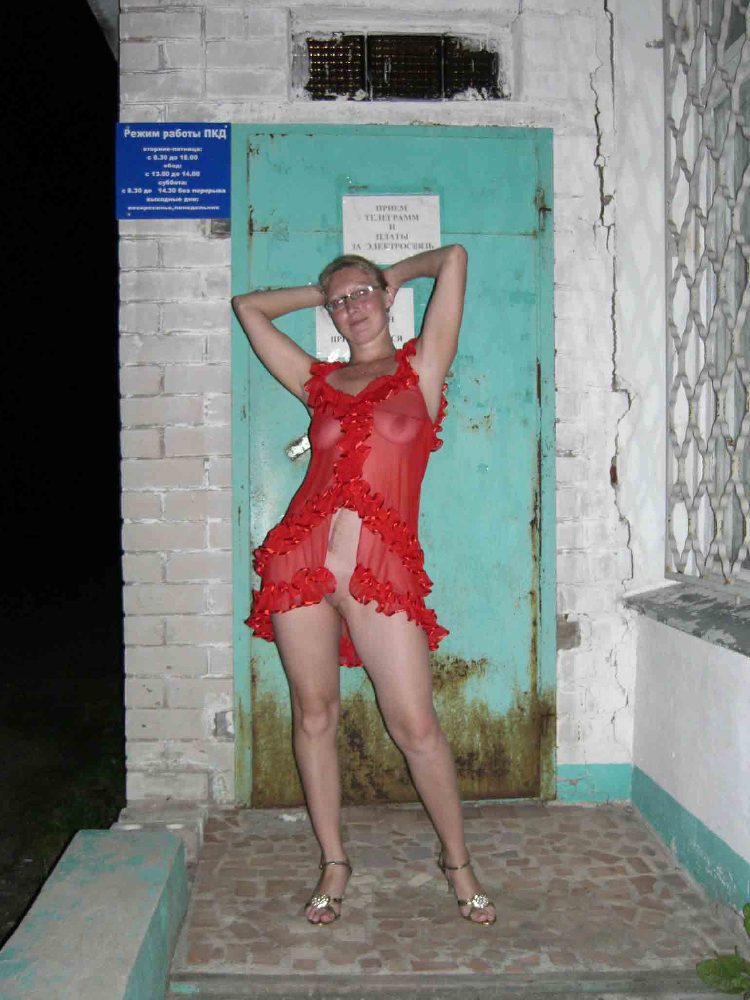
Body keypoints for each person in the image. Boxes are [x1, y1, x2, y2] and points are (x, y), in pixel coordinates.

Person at [232, 245, 496, 926]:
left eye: (361, 295)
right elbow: (248, 309)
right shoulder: (319, 383)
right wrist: (321, 292)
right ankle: (334, 861)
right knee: (313, 715)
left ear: (383, 298)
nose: (351, 308)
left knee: (416, 726)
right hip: (301, 562)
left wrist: (390, 276)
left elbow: (454, 258)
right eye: (339, 302)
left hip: (379, 572)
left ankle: (458, 861)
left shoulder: (421, 370)